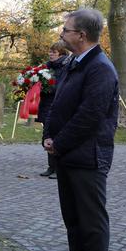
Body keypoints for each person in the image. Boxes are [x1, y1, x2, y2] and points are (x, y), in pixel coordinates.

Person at [41, 8, 118, 251]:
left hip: (88, 156)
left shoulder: (100, 68)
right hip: (68, 154)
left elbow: (90, 116)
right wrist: (49, 135)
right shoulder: (75, 62)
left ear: (82, 35)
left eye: (66, 29)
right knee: (72, 216)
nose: (62, 33)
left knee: (91, 219)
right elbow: (58, 104)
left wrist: (58, 142)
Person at [37, 41, 71, 179]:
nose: (50, 54)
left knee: (58, 137)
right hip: (46, 105)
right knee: (47, 135)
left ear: (61, 54)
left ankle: (60, 168)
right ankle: (51, 166)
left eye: (54, 52)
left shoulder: (65, 67)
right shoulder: (46, 67)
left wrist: (49, 87)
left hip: (58, 105)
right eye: (50, 51)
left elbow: (64, 86)